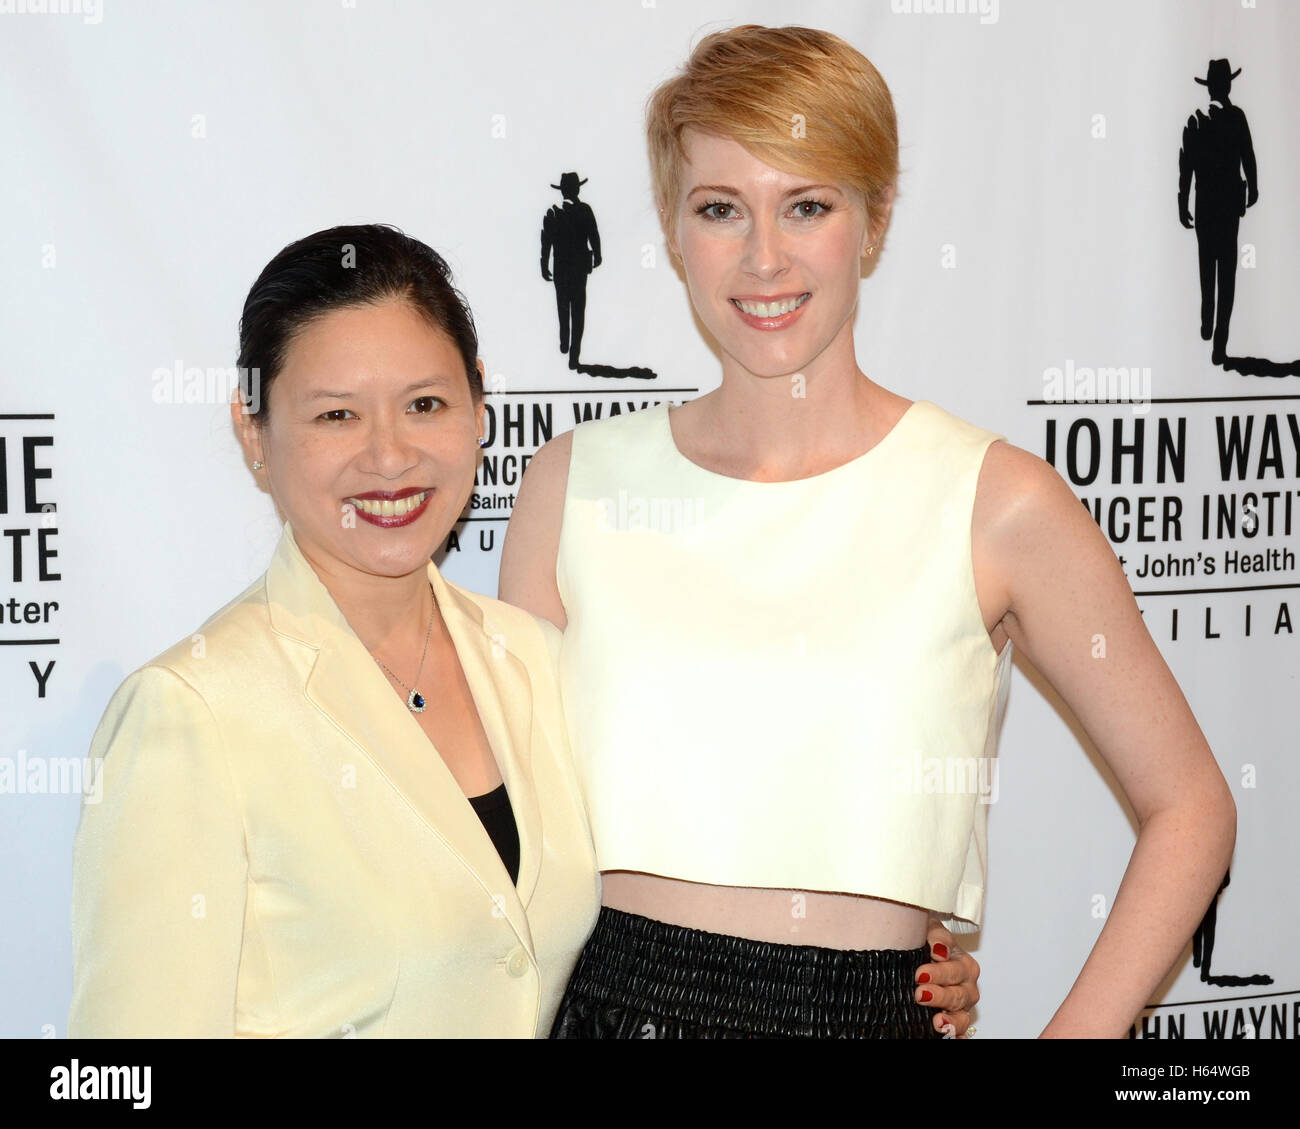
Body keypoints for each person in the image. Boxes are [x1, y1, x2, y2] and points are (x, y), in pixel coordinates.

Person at [500, 24, 1236, 1038]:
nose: (764, 257)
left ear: (876, 220)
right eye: (721, 209)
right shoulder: (571, 486)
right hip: (604, 1008)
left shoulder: (997, 501)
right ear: (672, 230)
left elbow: (1192, 806)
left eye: (807, 205)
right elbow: (508, 842)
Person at [68, 224, 602, 1036]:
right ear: (255, 434)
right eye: (336, 415)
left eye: (425, 404)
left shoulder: (531, 656)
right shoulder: (194, 711)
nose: (389, 457)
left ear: (479, 407)